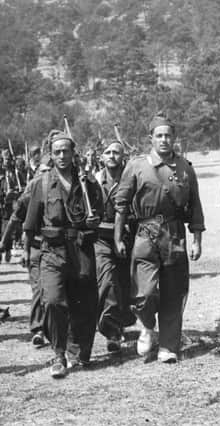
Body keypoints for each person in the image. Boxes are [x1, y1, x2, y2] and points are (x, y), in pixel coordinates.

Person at [114, 113, 205, 364]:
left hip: (175, 235)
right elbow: (121, 203)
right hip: (145, 234)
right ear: (150, 139)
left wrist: (197, 239)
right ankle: (146, 326)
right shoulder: (137, 165)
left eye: (168, 135)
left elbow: (195, 206)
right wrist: (118, 236)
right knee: (145, 292)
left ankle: (168, 346)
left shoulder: (185, 167)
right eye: (159, 136)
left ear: (174, 138)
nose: (164, 140)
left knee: (174, 293)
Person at [23, 130, 103, 378]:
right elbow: (30, 224)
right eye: (56, 152)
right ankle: (58, 354)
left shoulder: (88, 184)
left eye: (65, 151)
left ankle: (78, 350)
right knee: (53, 301)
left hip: (81, 251)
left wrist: (93, 221)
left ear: (73, 153)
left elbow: (100, 214)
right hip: (52, 252)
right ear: (51, 154)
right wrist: (27, 253)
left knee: (85, 304)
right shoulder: (43, 184)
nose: (61, 156)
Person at [0, 154, 52, 347]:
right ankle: (38, 329)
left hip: (56, 249)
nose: (46, 176)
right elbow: (14, 219)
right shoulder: (28, 197)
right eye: (42, 171)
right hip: (36, 247)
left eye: (49, 172)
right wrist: (3, 243)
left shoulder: (60, 193)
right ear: (37, 173)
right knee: (39, 288)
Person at [95, 142, 137, 352]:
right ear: (101, 157)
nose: (111, 156)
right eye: (107, 153)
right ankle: (111, 331)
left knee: (124, 283)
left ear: (123, 157)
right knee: (107, 281)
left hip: (128, 238)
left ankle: (120, 324)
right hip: (102, 239)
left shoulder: (132, 178)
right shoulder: (93, 181)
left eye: (116, 153)